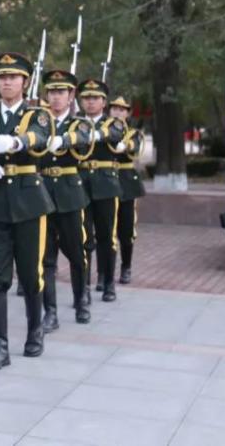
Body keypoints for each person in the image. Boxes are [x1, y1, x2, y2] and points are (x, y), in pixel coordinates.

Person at [0, 52, 55, 371]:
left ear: (25, 82)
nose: (6, 82)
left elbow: (40, 137)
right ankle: (0, 346)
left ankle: (35, 331)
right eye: (2, 77)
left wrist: (16, 143)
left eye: (13, 77)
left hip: (29, 202)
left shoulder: (37, 114)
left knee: (31, 275)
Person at [39, 70, 95, 330]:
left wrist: (62, 139)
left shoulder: (79, 123)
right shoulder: (39, 122)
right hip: (43, 194)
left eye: (61, 92)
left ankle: (81, 300)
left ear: (71, 95)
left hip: (70, 194)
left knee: (77, 253)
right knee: (46, 258)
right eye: (52, 91)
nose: (56, 96)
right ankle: (50, 312)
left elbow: (84, 138)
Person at [77, 79, 127, 302]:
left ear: (104, 102)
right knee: (84, 237)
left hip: (106, 185)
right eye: (86, 98)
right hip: (81, 185)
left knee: (107, 237)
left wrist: (93, 133)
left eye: (95, 98)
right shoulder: (75, 123)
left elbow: (115, 135)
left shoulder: (113, 123)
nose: (90, 102)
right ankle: (84, 286)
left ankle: (108, 283)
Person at [109, 95, 146, 285]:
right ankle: (105, 272)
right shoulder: (102, 131)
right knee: (106, 230)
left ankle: (126, 267)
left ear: (127, 114)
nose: (117, 112)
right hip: (106, 180)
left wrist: (125, 145)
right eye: (114, 108)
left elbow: (135, 146)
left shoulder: (133, 133)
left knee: (126, 229)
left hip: (126, 183)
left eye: (122, 110)